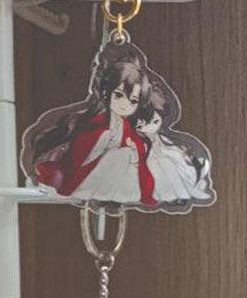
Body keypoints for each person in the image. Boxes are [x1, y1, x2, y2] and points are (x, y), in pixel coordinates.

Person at [21, 39, 154, 207]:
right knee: (119, 153)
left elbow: (140, 161)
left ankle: (114, 193)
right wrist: (105, 141)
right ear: (107, 93)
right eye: (119, 95)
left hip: (114, 179)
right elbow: (80, 152)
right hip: (87, 175)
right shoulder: (96, 125)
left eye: (133, 101)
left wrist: (132, 150)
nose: (124, 105)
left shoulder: (128, 131)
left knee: (126, 154)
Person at [134, 81, 216, 210]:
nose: (150, 127)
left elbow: (165, 146)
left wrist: (181, 153)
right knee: (161, 167)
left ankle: (180, 193)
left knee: (174, 164)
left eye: (156, 121)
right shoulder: (135, 138)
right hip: (145, 160)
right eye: (141, 125)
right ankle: (173, 194)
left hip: (160, 153)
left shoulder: (161, 138)